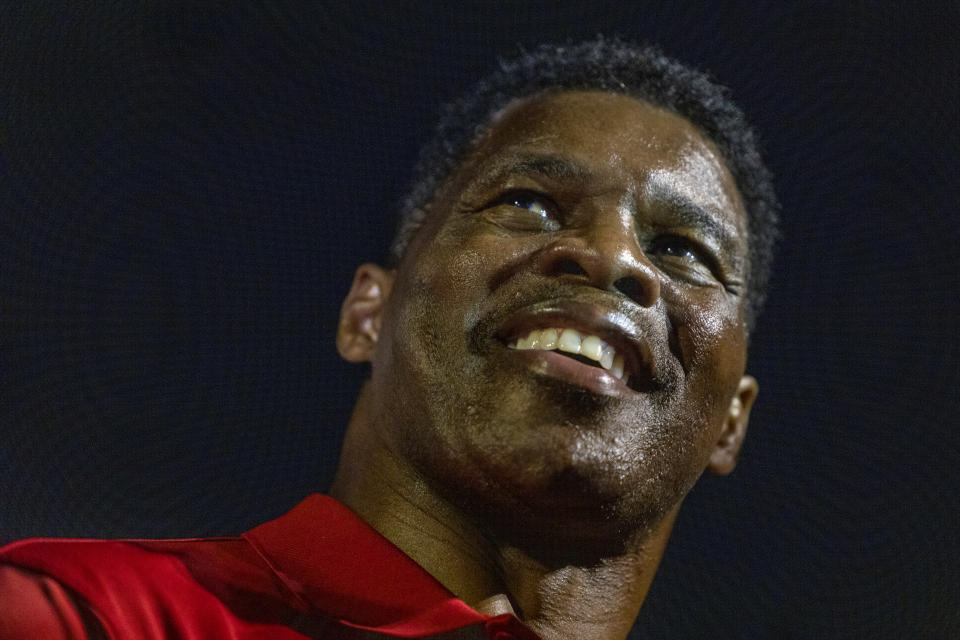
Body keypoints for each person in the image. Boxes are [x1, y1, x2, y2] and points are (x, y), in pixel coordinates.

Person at [0, 38, 778, 640]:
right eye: (528, 203)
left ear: (732, 420)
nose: (612, 257)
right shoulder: (79, 617)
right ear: (366, 314)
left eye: (685, 251)